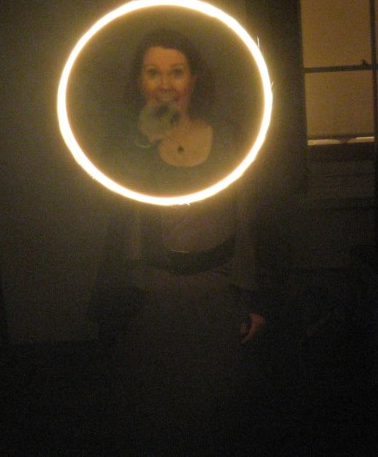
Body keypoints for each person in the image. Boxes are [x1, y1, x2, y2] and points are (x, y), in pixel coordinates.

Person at [88, 28, 271, 453]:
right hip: (148, 300)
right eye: (152, 72)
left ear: (194, 78)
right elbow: (111, 211)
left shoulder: (229, 137)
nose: (165, 83)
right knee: (155, 413)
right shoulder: (125, 144)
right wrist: (143, 141)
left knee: (217, 410)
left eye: (176, 71)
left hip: (217, 296)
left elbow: (250, 219)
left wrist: (254, 297)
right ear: (139, 81)